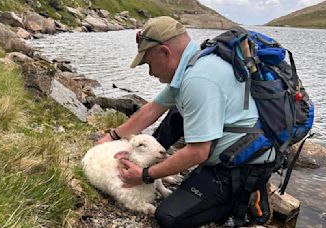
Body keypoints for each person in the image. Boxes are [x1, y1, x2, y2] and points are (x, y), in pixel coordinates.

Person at [96, 16, 261, 227]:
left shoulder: (198, 80)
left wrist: (145, 175)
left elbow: (197, 152)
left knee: (168, 216)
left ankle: (244, 197)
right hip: (226, 152)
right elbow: (151, 110)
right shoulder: (193, 65)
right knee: (175, 112)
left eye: (149, 63)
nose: (150, 72)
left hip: (240, 164)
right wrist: (112, 136)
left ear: (165, 52)